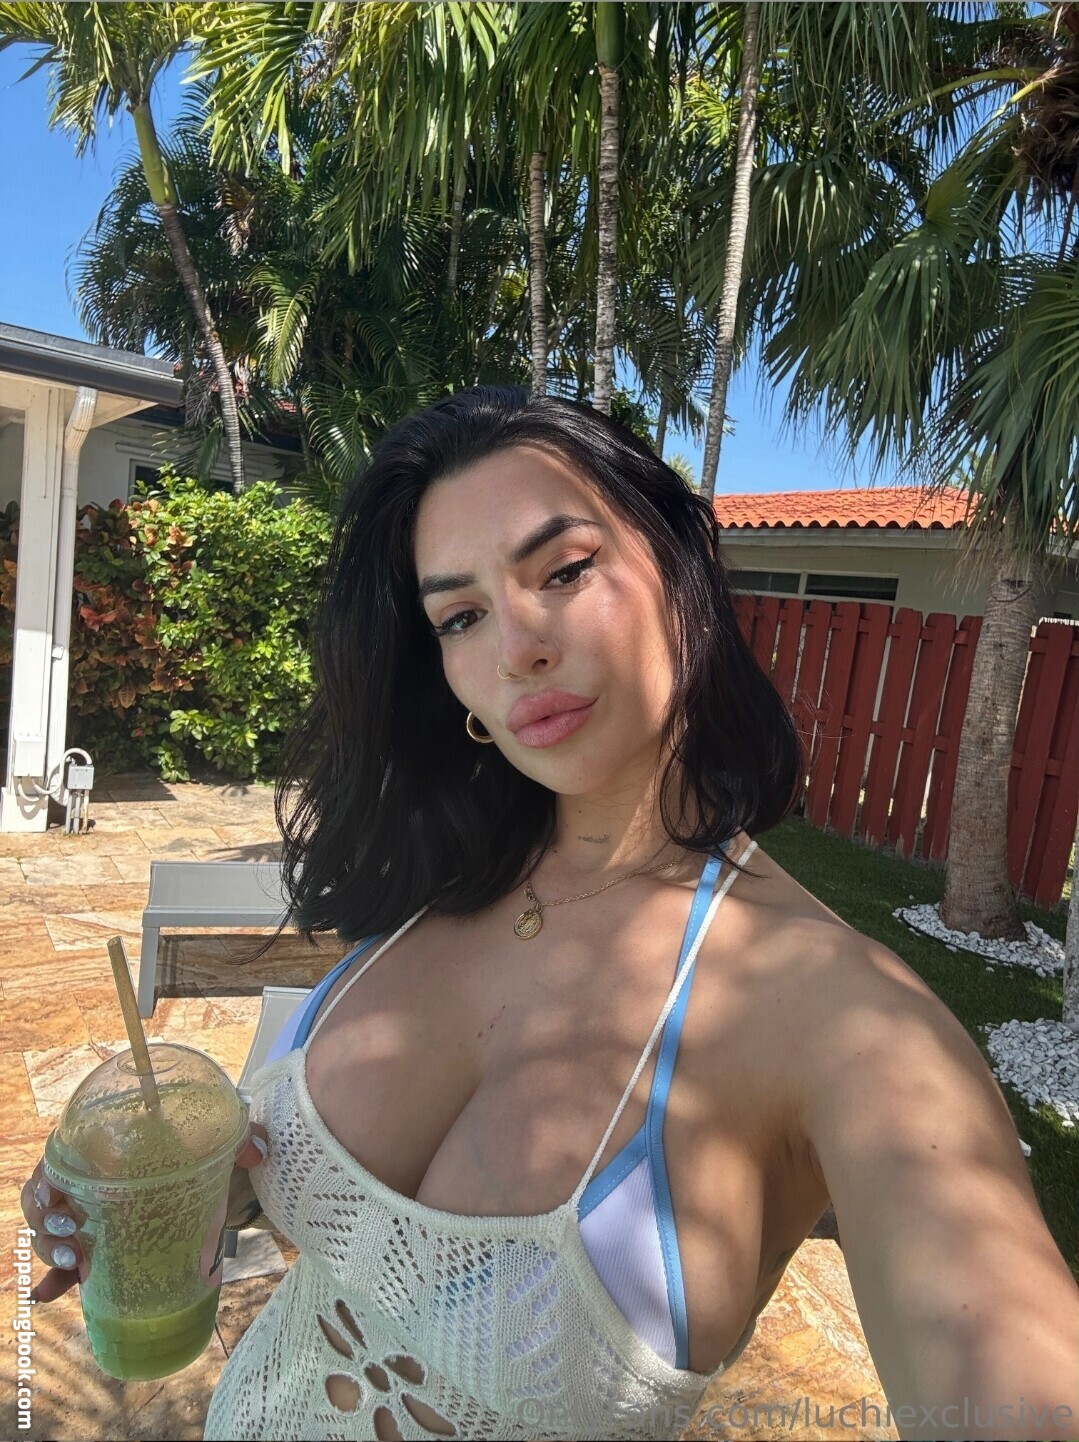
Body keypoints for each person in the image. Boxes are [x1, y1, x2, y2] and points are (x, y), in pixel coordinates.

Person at [21, 388, 1079, 1442]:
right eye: (460, 616)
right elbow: (320, 1204)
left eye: (564, 571)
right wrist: (200, 1191)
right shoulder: (436, 880)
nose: (516, 647)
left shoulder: (845, 1025)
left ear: (679, 568)